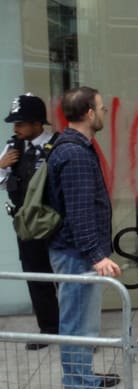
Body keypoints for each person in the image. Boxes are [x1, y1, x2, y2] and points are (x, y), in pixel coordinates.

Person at [46, 87, 124, 389]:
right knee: (77, 327)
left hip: (76, 253)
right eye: (102, 108)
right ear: (90, 113)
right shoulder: (75, 153)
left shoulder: (73, 146)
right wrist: (96, 256)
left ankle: (84, 379)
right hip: (76, 255)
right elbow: (79, 213)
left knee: (83, 326)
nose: (105, 113)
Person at [0, 94, 60, 350]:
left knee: (67, 279)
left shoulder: (56, 145)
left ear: (37, 123)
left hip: (55, 223)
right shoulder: (12, 148)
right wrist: (1, 165)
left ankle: (76, 333)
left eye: (21, 123)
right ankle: (48, 329)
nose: (16, 128)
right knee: (37, 278)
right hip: (26, 224)